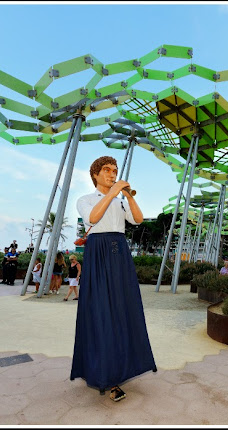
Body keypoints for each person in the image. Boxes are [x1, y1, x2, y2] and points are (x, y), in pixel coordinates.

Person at [70, 155, 156, 402]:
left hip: (120, 253)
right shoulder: (85, 200)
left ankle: (123, 368)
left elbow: (138, 219)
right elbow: (93, 218)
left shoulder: (121, 201)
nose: (112, 173)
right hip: (98, 253)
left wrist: (128, 195)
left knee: (124, 310)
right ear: (95, 174)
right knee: (100, 313)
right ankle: (102, 373)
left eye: (114, 170)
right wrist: (113, 193)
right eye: (106, 170)